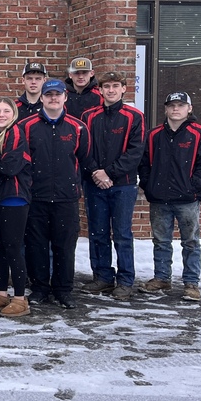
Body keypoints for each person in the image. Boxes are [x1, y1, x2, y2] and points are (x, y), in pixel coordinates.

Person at [19, 78, 91, 309]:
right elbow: (22, 160)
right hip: (36, 197)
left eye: (57, 94)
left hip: (66, 198)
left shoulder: (77, 127)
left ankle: (63, 290)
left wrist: (74, 185)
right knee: (36, 245)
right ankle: (39, 288)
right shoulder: (27, 126)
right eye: (48, 94)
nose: (53, 98)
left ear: (65, 97)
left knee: (64, 246)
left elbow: (85, 159)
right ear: (41, 98)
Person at [138, 92, 201, 301]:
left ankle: (191, 283)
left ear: (189, 109)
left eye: (181, 105)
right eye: (172, 105)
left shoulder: (200, 134)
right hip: (159, 198)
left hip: (187, 200)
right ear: (165, 108)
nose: (176, 109)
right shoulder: (154, 135)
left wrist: (194, 187)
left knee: (190, 242)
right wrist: (148, 185)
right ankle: (162, 278)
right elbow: (144, 164)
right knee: (161, 241)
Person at [80, 71, 146, 300]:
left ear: (123, 89)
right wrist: (96, 172)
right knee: (97, 233)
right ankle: (102, 277)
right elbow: (84, 149)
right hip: (94, 184)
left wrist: (109, 172)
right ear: (99, 90)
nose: (111, 90)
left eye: (115, 86)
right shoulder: (89, 116)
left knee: (122, 234)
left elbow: (135, 152)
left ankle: (126, 280)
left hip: (123, 185)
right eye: (106, 86)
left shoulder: (134, 117)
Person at [0, 98, 33, 318]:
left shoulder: (16, 133)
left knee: (12, 247)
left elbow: (10, 167)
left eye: (6, 111)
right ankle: (2, 294)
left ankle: (20, 299)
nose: (1, 115)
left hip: (14, 196)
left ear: (14, 114)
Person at [65, 56, 103, 120]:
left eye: (84, 72)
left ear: (92, 73)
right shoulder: (62, 94)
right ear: (70, 75)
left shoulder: (100, 95)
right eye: (76, 73)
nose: (80, 76)